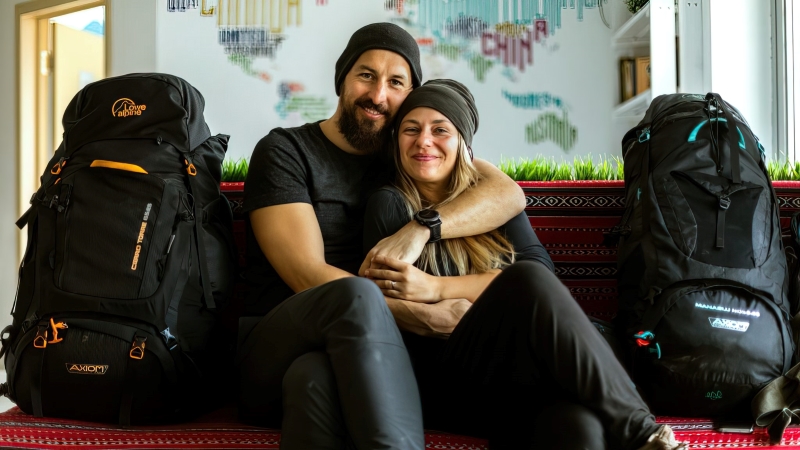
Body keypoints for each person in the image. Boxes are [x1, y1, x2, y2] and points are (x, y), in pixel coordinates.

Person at [238, 23, 526, 449]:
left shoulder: (410, 154)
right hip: (275, 342)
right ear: (342, 80)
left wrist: (420, 228)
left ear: (410, 95)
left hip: (343, 356)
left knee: (313, 380)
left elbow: (507, 193)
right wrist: (422, 315)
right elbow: (307, 276)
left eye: (395, 83)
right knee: (354, 295)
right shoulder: (286, 151)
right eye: (366, 75)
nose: (377, 95)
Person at [362, 79, 687, 450]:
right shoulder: (389, 204)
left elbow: (543, 278)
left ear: (463, 144)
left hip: (518, 374)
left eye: (440, 130)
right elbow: (382, 298)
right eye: (411, 130)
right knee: (525, 279)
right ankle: (644, 433)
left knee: (578, 427)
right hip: (443, 375)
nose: (424, 141)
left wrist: (437, 287)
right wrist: (479, 290)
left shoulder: (489, 202)